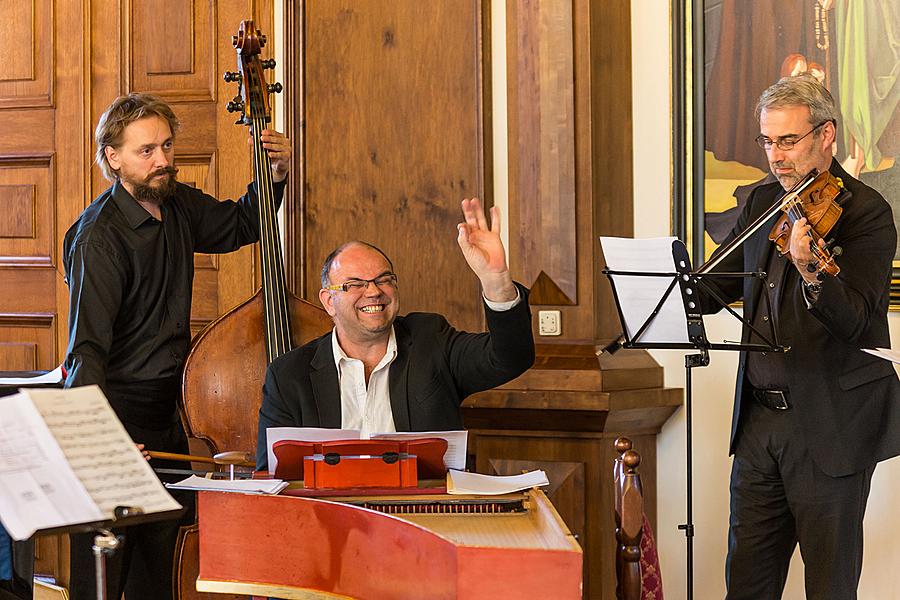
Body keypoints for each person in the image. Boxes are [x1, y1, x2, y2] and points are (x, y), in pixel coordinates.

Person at [62, 92, 292, 600]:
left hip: (170, 414)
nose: (163, 160)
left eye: (167, 146)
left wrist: (272, 178)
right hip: (116, 414)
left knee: (158, 572)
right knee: (101, 576)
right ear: (112, 157)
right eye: (146, 150)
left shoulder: (177, 201)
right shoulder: (98, 239)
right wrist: (103, 441)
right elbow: (87, 353)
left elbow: (239, 224)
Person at [701, 75, 900, 599]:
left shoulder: (867, 213)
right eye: (768, 141)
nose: (776, 156)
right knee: (746, 585)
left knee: (830, 589)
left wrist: (814, 273)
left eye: (788, 141)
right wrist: (666, 279)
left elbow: (857, 319)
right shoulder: (763, 199)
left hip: (830, 426)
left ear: (826, 134)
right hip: (759, 425)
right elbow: (715, 284)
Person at [256, 198, 534, 470]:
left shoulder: (431, 340)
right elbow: (274, 472)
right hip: (331, 514)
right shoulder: (289, 375)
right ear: (329, 301)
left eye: (384, 280)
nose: (374, 291)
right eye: (355, 284)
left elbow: (509, 358)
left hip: (423, 512)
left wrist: (496, 281)